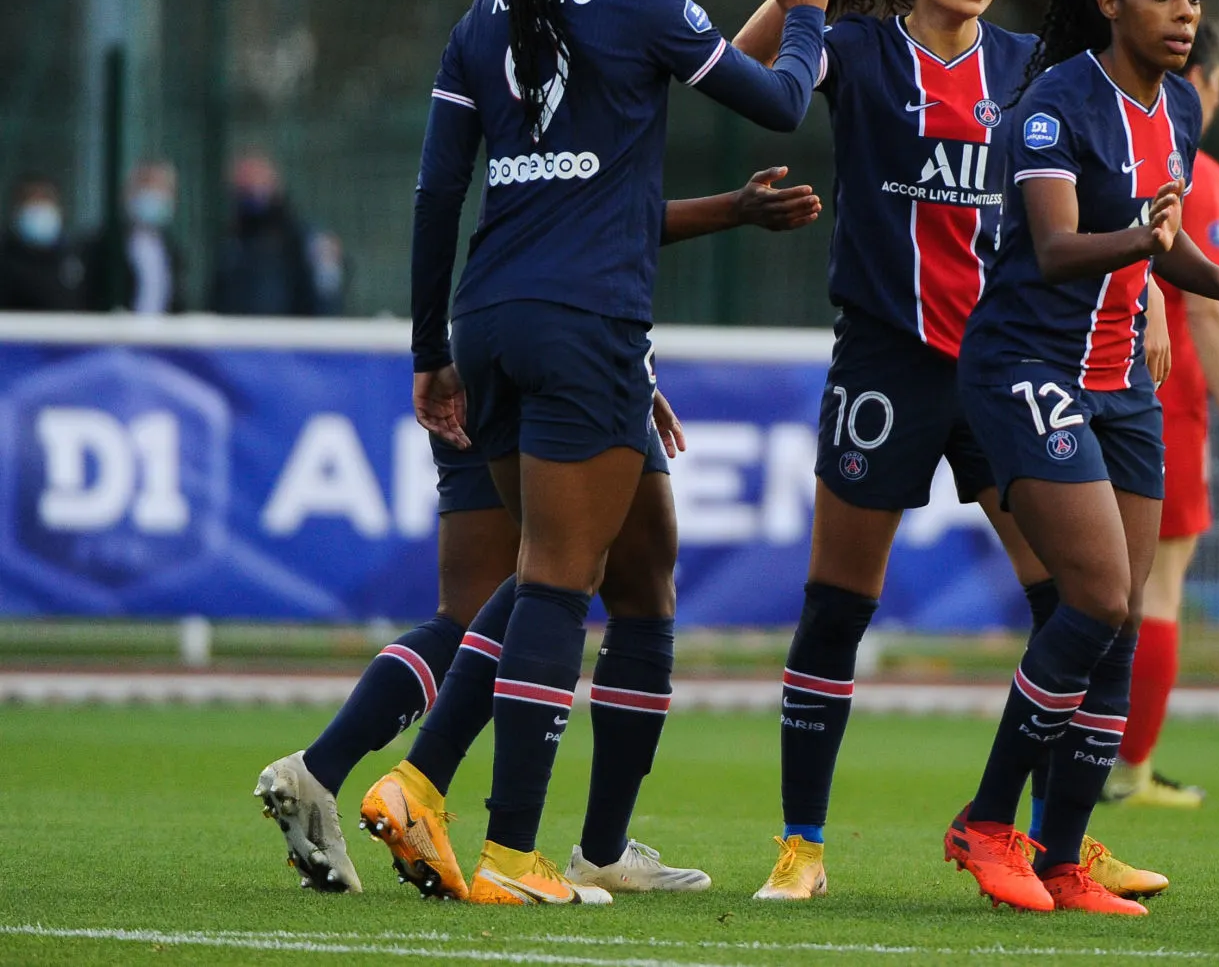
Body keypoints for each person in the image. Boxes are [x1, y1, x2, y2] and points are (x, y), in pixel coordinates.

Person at [402, 0, 831, 906]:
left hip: (490, 315)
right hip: (587, 324)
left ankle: (458, 796)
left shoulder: (484, 17)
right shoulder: (639, 8)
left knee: (626, 570)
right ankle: (508, 849)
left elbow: (438, 194)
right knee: (556, 578)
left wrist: (428, 348)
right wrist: (814, 7)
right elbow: (780, 96)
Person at [732, 0, 1167, 903]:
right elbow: (739, 71)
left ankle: (1053, 841)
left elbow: (1117, 178)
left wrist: (1145, 296)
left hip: (1009, 365)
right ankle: (800, 842)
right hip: (889, 364)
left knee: (1082, 601)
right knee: (838, 607)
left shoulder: (1031, 64)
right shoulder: (857, 48)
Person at [252, 173, 818, 897]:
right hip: (573, 344)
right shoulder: (599, 73)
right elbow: (616, 211)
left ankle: (323, 769)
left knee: (476, 609)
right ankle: (487, 816)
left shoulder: (489, 67)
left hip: (482, 334)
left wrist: (434, 348)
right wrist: (738, 197)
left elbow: (451, 197)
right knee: (604, 578)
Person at [944, 0, 1219, 916]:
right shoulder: (1052, 106)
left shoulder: (1175, 102)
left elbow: (1160, 241)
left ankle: (1059, 857)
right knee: (1091, 598)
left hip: (1119, 386)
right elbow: (1053, 248)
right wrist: (1147, 234)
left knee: (1121, 619)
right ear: (1107, 1)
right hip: (1025, 368)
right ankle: (987, 820)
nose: (1183, 13)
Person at [1102, 19, 1219, 809]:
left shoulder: (1105, 133)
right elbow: (1207, 309)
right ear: (1204, 76)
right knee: (1157, 588)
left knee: (1097, 586)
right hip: (1164, 394)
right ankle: (1127, 767)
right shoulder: (1196, 169)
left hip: (1090, 375)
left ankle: (1088, 751)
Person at [211, 152, 319, 316]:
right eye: (244, 185)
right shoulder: (232, 238)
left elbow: (311, 293)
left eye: (256, 181)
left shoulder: (293, 235)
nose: (251, 190)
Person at [85, 160, 184, 313]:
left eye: (161, 189)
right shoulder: (106, 243)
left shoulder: (172, 249)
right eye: (147, 186)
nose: (154, 195)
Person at [0, 175, 85, 310]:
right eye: (31, 199)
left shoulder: (74, 257)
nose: (39, 207)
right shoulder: (5, 259)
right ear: (16, 209)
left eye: (46, 198)